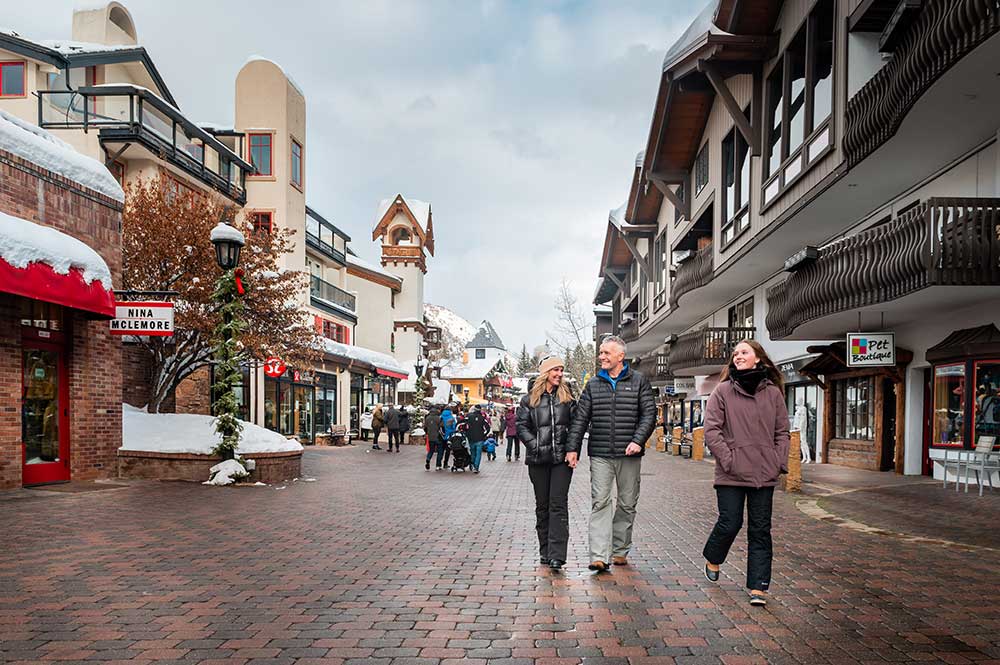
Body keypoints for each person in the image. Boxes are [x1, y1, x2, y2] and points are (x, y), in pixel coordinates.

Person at [702, 339, 789, 608]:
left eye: (744, 352)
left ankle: (758, 586)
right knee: (731, 522)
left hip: (764, 473)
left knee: (761, 530)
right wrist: (729, 460)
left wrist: (777, 462)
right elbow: (712, 430)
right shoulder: (723, 391)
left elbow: (782, 432)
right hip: (731, 473)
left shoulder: (773, 393)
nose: (738, 356)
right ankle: (713, 556)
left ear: (758, 359)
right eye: (736, 353)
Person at [567, 335, 656, 572]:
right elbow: (580, 419)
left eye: (607, 353)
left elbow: (649, 415)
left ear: (620, 356)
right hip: (600, 453)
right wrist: (572, 448)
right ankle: (598, 555)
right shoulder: (593, 384)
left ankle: (619, 550)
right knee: (600, 502)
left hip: (630, 454)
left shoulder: (639, 381)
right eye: (601, 353)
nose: (602, 357)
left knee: (627, 503)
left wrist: (638, 441)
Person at [517, 357, 576, 570]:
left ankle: (557, 555)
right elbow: (521, 426)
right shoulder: (529, 400)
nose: (559, 374)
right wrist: (535, 445)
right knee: (542, 506)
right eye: (555, 370)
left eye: (561, 370)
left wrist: (571, 449)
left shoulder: (567, 397)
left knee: (558, 504)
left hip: (561, 460)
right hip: (538, 459)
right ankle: (545, 551)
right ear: (545, 373)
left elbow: (575, 425)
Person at [465, 404, 490, 474]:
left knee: (472, 452)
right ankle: (476, 467)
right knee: (478, 453)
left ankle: (472, 464)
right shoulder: (482, 418)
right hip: (480, 438)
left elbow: (464, 424)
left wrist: (467, 433)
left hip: (471, 438)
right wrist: (484, 434)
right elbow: (487, 428)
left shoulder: (469, 416)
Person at [424, 405, 445, 470]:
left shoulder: (427, 418)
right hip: (438, 437)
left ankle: (428, 459)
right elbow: (442, 428)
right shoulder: (439, 418)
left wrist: (428, 433)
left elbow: (425, 428)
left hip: (430, 437)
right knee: (440, 451)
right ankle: (438, 465)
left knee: (431, 450)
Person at [440, 404, 458, 469]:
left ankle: (438, 464)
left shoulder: (441, 416)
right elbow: (454, 427)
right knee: (448, 451)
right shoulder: (451, 418)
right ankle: (445, 463)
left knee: (441, 450)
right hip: (449, 436)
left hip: (442, 436)